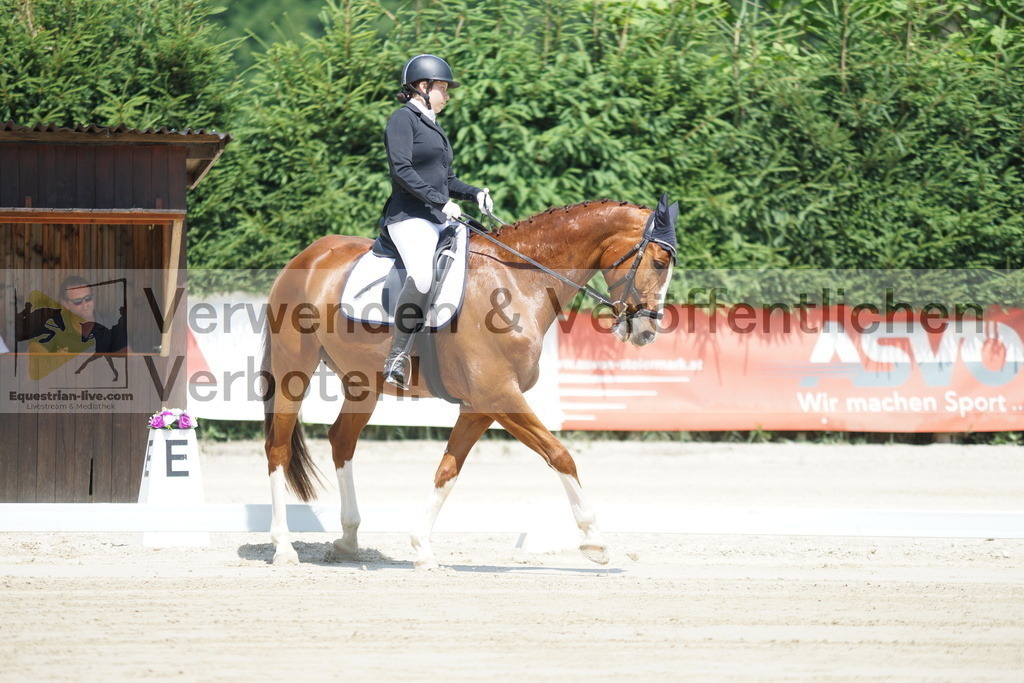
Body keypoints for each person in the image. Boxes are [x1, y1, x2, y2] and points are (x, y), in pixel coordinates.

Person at [379, 53, 493, 389]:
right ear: (422, 87)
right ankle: (396, 357)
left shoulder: (434, 127)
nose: (448, 95)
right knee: (423, 275)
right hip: (409, 217)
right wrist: (440, 202)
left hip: (436, 216)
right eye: (443, 88)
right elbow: (402, 172)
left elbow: (447, 179)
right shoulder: (403, 120)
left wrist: (474, 194)